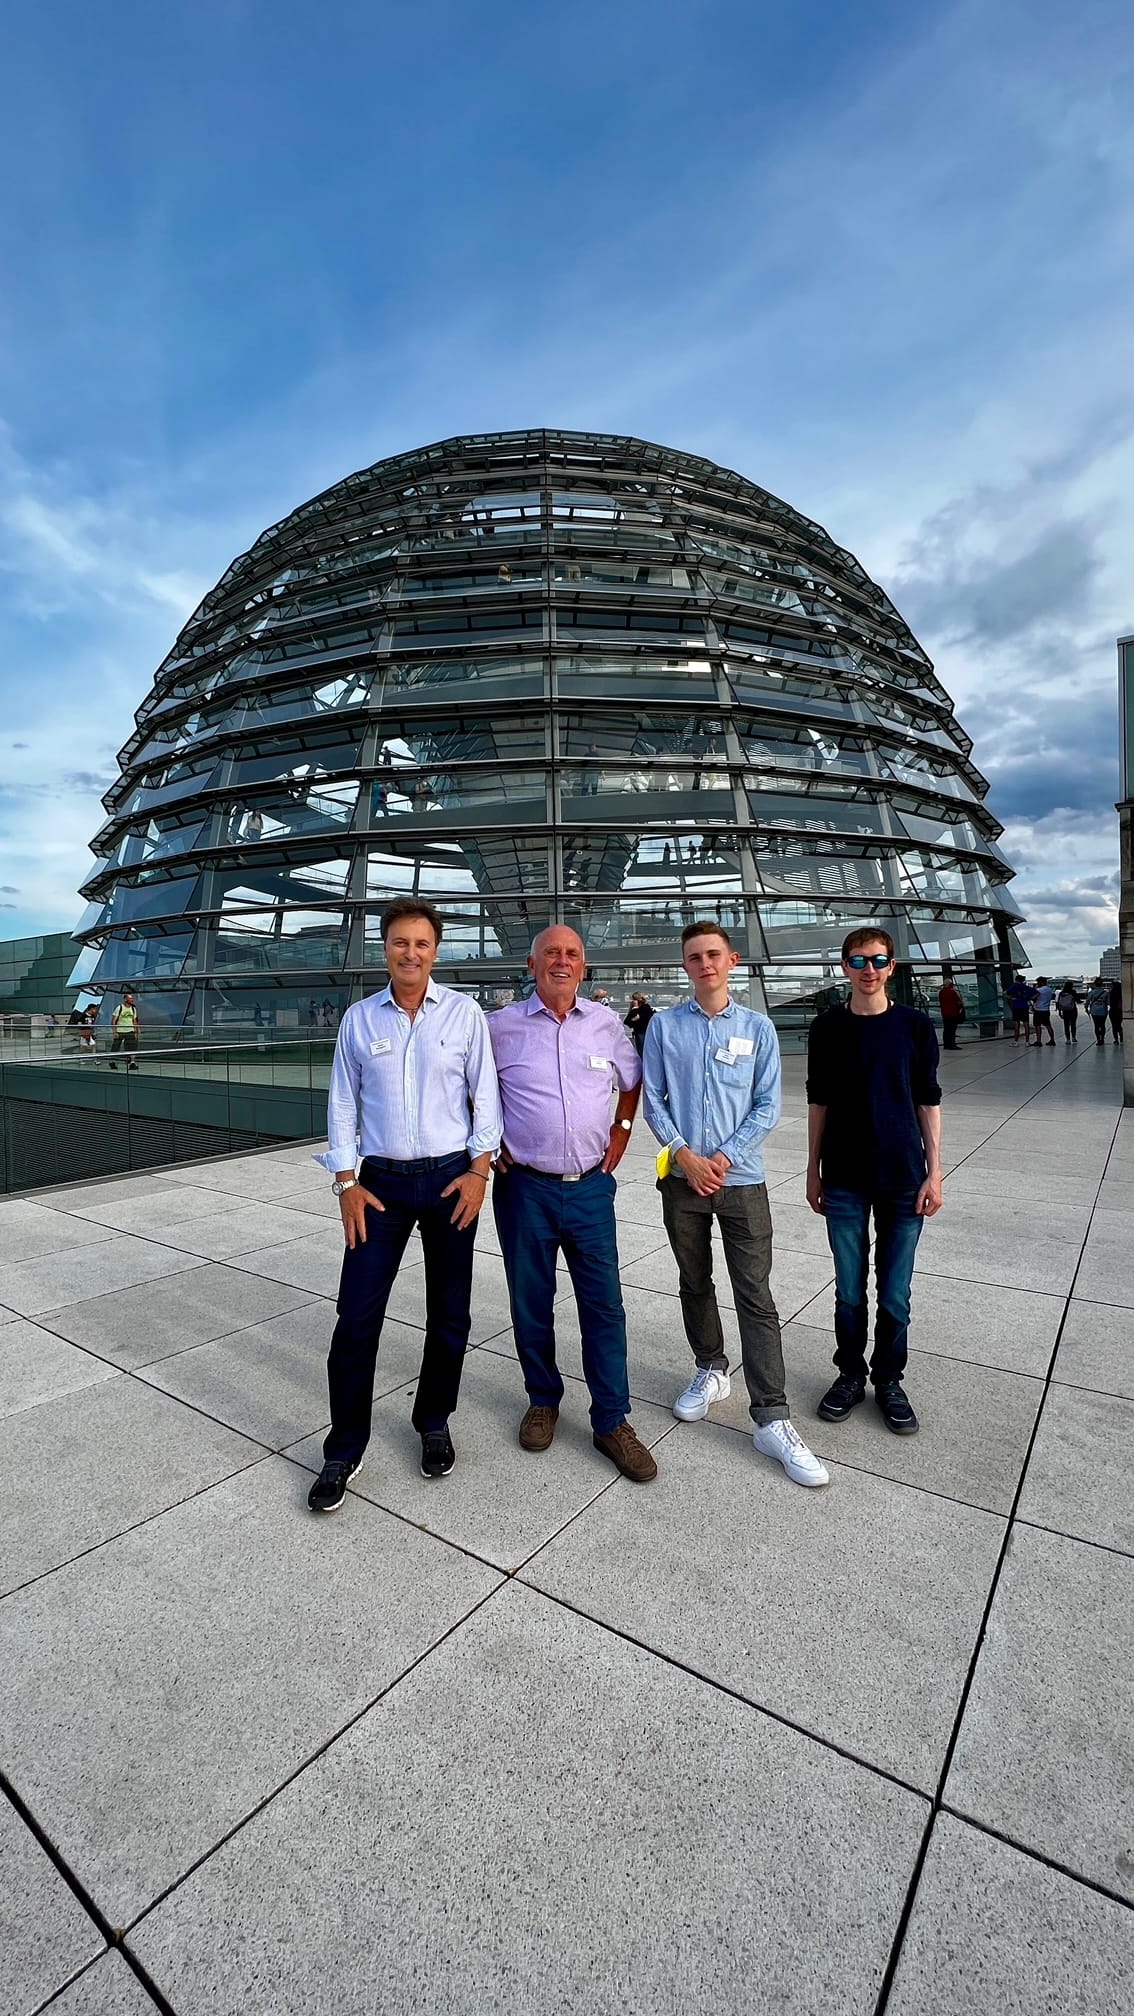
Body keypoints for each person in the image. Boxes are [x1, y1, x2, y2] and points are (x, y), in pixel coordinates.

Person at [306, 900, 502, 1511]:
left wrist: (479, 1173)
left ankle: (433, 1420)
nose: (410, 953)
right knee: (356, 1318)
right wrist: (345, 1183)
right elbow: (341, 1104)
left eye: (421, 943)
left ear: (435, 950)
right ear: (384, 948)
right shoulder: (360, 1021)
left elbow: (485, 1097)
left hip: (450, 1180)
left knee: (450, 1313)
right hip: (381, 1185)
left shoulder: (465, 1015)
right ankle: (343, 1448)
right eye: (399, 943)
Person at [643, 923, 828, 1488]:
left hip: (742, 1181)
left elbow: (768, 1104)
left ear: (732, 961)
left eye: (714, 955)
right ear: (686, 966)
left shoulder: (757, 1028)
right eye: (695, 957)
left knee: (755, 1294)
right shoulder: (664, 1027)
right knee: (694, 1280)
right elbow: (653, 1099)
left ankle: (771, 1416)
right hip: (682, 1181)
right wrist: (685, 1156)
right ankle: (710, 1368)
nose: (705, 964)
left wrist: (720, 1156)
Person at [489, 926, 656, 1483]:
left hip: (589, 1187)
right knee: (531, 1301)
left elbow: (631, 1083)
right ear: (532, 963)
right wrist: (487, 1146)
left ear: (583, 967)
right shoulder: (499, 1028)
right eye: (552, 953)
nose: (562, 961)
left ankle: (612, 1420)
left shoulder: (607, 1025)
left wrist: (622, 1129)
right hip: (524, 1189)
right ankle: (543, 1399)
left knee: (604, 1307)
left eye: (572, 954)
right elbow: (467, 1089)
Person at [806, 926, 943, 1437]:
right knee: (848, 1290)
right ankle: (848, 1375)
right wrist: (812, 1168)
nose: (869, 970)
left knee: (895, 1294)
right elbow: (817, 1099)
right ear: (844, 966)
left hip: (903, 1178)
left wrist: (935, 1172)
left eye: (879, 961)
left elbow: (929, 1099)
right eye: (859, 961)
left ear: (893, 968)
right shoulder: (827, 1027)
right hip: (843, 1177)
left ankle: (888, 1379)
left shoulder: (913, 1026)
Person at [108, 992, 141, 1071]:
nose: (132, 1000)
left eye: (132, 998)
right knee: (116, 1047)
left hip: (130, 1031)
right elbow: (113, 1021)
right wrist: (114, 1032)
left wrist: (137, 1030)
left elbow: (134, 1021)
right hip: (120, 1031)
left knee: (133, 1047)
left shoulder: (133, 1009)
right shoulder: (119, 1008)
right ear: (125, 999)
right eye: (130, 998)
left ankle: (132, 1063)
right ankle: (112, 1061)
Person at [624, 992, 655, 1056]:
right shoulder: (635, 1009)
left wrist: (635, 1009)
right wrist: (633, 1009)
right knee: (640, 1051)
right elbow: (627, 1021)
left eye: (634, 999)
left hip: (644, 1032)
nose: (632, 1001)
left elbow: (637, 1017)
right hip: (638, 1032)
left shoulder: (645, 1008)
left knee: (644, 1052)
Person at [938, 977, 964, 1051]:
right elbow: (958, 1002)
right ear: (950, 984)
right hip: (953, 1013)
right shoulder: (952, 992)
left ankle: (946, 1044)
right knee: (952, 1030)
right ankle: (952, 1044)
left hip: (944, 1013)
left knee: (946, 1029)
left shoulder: (941, 992)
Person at [1006, 974, 1033, 1043]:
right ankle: (1027, 1041)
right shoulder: (1026, 987)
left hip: (1016, 1007)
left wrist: (1011, 998)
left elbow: (1005, 993)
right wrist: (1028, 998)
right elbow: (1036, 993)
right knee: (1026, 1024)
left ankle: (1016, 1041)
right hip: (1024, 1007)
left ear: (1016, 979)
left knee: (1017, 1024)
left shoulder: (1013, 986)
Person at [1031, 976, 1056, 1047]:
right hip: (1046, 1009)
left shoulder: (1038, 990)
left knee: (1037, 1025)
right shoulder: (1049, 990)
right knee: (1048, 1025)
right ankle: (1052, 1040)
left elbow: (1033, 998)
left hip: (1038, 1009)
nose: (1037, 983)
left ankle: (1039, 1041)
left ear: (1041, 982)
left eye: (1038, 982)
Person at [1087, 980, 1110, 1046]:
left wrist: (1086, 1008)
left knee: (1096, 1026)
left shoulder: (1092, 992)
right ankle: (1102, 1038)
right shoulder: (1105, 993)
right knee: (1102, 1025)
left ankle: (1098, 1039)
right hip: (1103, 1011)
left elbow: (1087, 1001)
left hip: (1094, 1011)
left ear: (1095, 984)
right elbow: (1108, 1002)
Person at [1109, 979, 1124, 1045]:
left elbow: (1110, 1003)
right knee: (1119, 1025)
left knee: (1114, 1026)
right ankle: (1121, 1037)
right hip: (1120, 1011)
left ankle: (1116, 1039)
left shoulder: (1112, 994)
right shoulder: (1122, 994)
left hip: (1113, 1011)